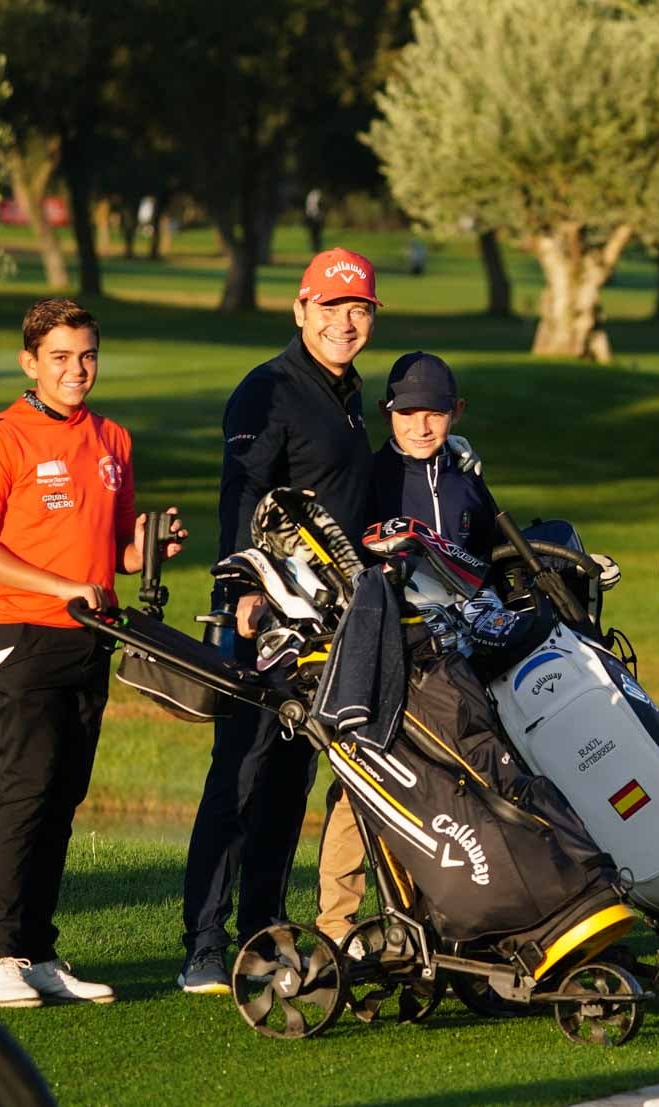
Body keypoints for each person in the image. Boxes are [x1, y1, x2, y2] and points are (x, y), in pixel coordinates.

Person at [0, 297, 186, 1007]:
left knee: (63, 796)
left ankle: (36, 951)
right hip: (20, 631)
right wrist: (61, 585)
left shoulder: (112, 438)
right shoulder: (2, 435)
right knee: (24, 789)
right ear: (30, 362)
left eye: (86, 355)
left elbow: (116, 548)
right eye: (60, 356)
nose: (76, 369)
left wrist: (152, 550)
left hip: (92, 634)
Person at [177, 247, 385, 993]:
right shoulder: (268, 388)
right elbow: (242, 493)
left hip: (330, 623)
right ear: (301, 311)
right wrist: (241, 584)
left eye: (357, 309)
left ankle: (259, 930)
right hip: (266, 618)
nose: (345, 322)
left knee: (289, 780)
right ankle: (203, 943)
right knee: (241, 773)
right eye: (330, 309)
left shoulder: (349, 391)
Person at [314, 351, 495, 949]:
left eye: (435, 413)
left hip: (457, 660)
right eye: (407, 412)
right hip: (384, 651)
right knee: (359, 784)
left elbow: (488, 558)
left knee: (449, 787)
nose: (421, 425)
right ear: (388, 413)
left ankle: (440, 916)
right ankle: (339, 925)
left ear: (456, 412)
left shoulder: (468, 475)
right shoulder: (368, 478)